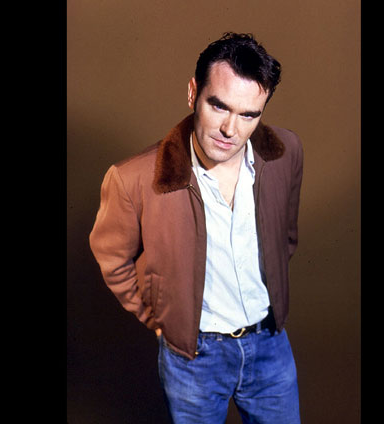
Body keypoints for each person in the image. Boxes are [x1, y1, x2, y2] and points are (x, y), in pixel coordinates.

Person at [89, 32, 304, 423]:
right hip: (193, 357)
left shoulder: (285, 154)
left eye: (248, 114)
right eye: (218, 106)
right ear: (193, 93)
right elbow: (113, 260)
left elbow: (285, 237)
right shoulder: (133, 178)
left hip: (270, 345)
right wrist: (162, 319)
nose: (230, 129)